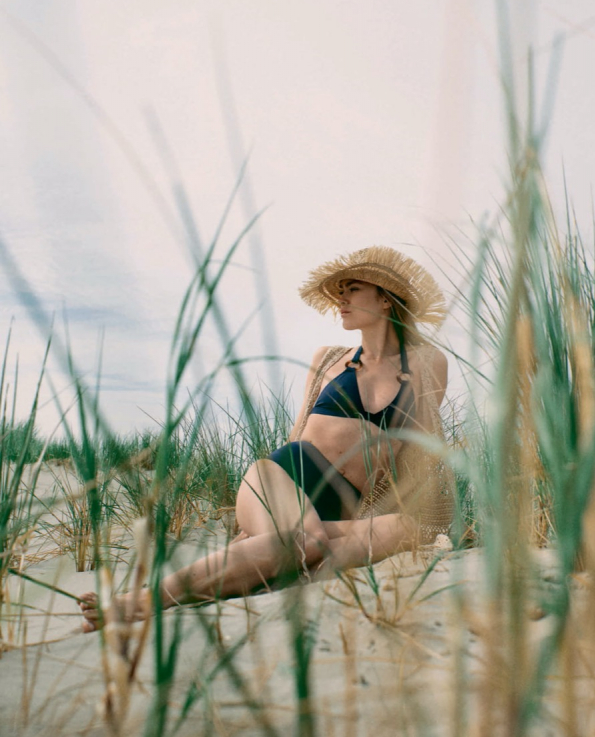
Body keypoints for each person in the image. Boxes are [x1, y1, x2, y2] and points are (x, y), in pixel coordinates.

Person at [79, 246, 454, 631]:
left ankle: (264, 555)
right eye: (341, 290)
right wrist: (268, 509)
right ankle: (144, 601)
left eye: (353, 289)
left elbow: (422, 447)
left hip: (349, 504)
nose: (341, 298)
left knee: (404, 530)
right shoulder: (328, 358)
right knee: (307, 542)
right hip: (286, 475)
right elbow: (298, 430)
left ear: (386, 299)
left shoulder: (426, 363)